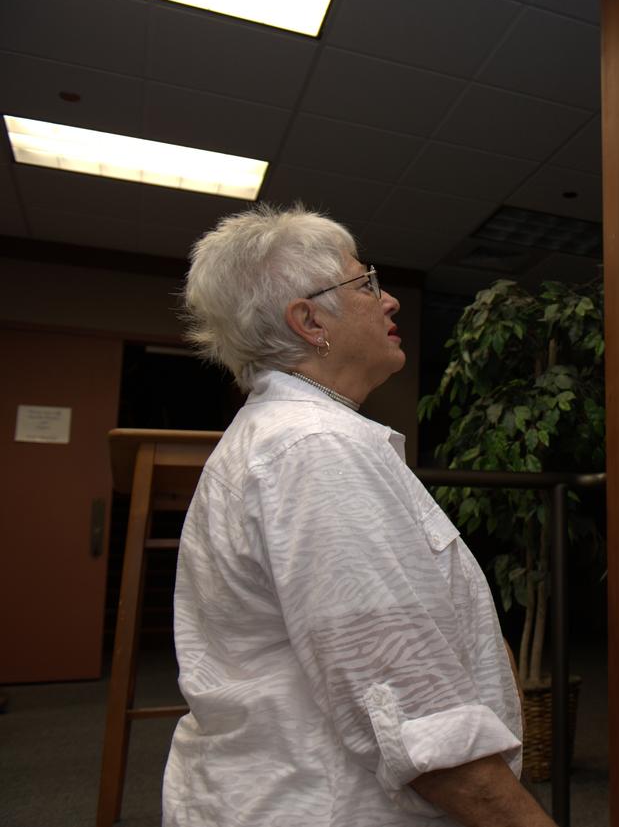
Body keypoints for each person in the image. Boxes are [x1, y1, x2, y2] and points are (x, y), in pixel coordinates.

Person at [164, 204, 555, 827]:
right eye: (366, 283)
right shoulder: (315, 450)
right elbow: (414, 716)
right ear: (309, 319)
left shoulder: (298, 437)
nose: (390, 299)